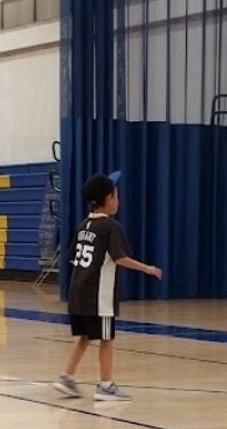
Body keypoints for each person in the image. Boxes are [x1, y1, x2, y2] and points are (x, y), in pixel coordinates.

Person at [54, 172, 162, 402]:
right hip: (98, 297)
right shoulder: (111, 227)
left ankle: (66, 377)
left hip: (78, 294)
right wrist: (148, 269)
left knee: (85, 336)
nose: (119, 200)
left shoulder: (85, 225)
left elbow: (73, 257)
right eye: (116, 195)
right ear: (108, 198)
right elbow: (120, 258)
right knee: (106, 338)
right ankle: (106, 386)